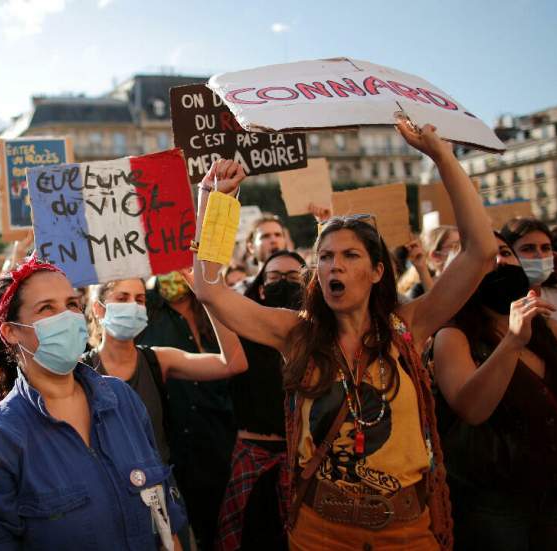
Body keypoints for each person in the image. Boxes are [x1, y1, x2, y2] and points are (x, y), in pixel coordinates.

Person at [192, 120, 497, 550]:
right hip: (318, 534)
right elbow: (209, 289)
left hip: (405, 533)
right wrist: (216, 205)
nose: (334, 265)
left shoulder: (409, 326)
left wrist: (442, 156)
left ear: (376, 272)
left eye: (350, 255)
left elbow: (481, 252)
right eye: (326, 257)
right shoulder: (296, 333)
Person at [0, 257, 186, 549]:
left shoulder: (122, 399)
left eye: (72, 304)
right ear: (10, 331)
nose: (66, 316)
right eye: (46, 308)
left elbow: (164, 520)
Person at [431, 232, 557, 550]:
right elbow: (472, 409)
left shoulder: (549, 329)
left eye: (505, 252)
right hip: (495, 503)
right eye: (483, 257)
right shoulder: (452, 336)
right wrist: (512, 342)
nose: (499, 261)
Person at [84, 277, 247, 465]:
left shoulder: (157, 360)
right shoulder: (81, 369)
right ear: (98, 309)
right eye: (122, 299)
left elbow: (233, 363)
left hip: (157, 484)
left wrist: (208, 297)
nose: (132, 306)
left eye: (139, 300)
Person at [137, 271, 235, 550]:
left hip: (220, 442)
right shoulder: (143, 308)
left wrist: (211, 296)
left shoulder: (214, 306)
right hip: (173, 451)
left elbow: (235, 364)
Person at [218, 249, 306, 551]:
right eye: (274, 277)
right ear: (260, 287)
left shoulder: (323, 339)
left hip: (304, 462)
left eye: (294, 278)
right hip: (253, 459)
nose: (284, 283)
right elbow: (213, 297)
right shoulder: (240, 336)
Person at [501, 217, 557, 329]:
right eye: (527, 249)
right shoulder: (500, 308)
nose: (540, 255)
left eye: (545, 248)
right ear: (509, 254)